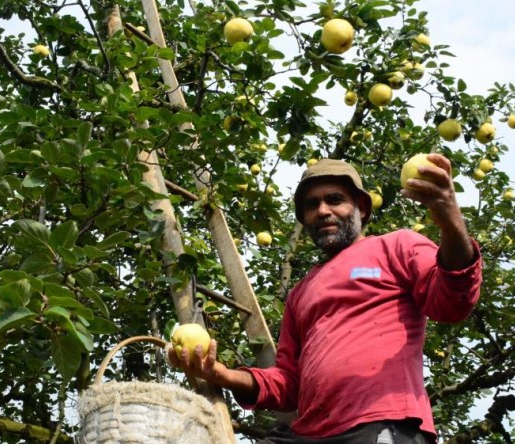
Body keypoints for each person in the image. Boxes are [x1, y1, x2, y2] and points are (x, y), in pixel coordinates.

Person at [169, 155, 482, 443]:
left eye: (335, 200)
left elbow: (453, 301)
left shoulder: (396, 246)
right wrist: (221, 374)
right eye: (312, 205)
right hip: (309, 433)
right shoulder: (301, 292)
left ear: (362, 207)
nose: (322, 211)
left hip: (378, 422)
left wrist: (449, 217)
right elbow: (288, 383)